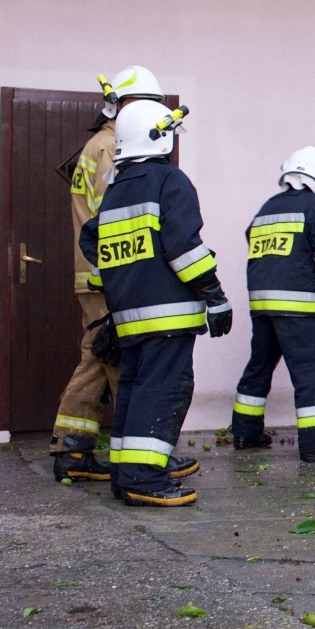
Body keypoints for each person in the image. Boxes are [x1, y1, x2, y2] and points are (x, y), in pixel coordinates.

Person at [50, 66, 195, 486]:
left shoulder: (94, 144)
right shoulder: (111, 147)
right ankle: (138, 457)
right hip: (107, 273)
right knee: (119, 359)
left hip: (98, 271)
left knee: (100, 355)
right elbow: (116, 215)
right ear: (131, 106)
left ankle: (79, 450)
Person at [82, 101, 231, 507]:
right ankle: (144, 479)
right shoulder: (169, 181)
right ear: (158, 135)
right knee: (163, 390)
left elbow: (92, 243)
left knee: (134, 388)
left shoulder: (115, 190)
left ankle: (126, 472)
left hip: (128, 319)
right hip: (169, 316)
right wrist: (215, 297)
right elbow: (184, 249)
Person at [230, 147, 315, 464]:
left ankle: (245, 432)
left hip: (262, 305)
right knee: (312, 372)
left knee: (258, 367)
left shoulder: (267, 208)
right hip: (299, 307)